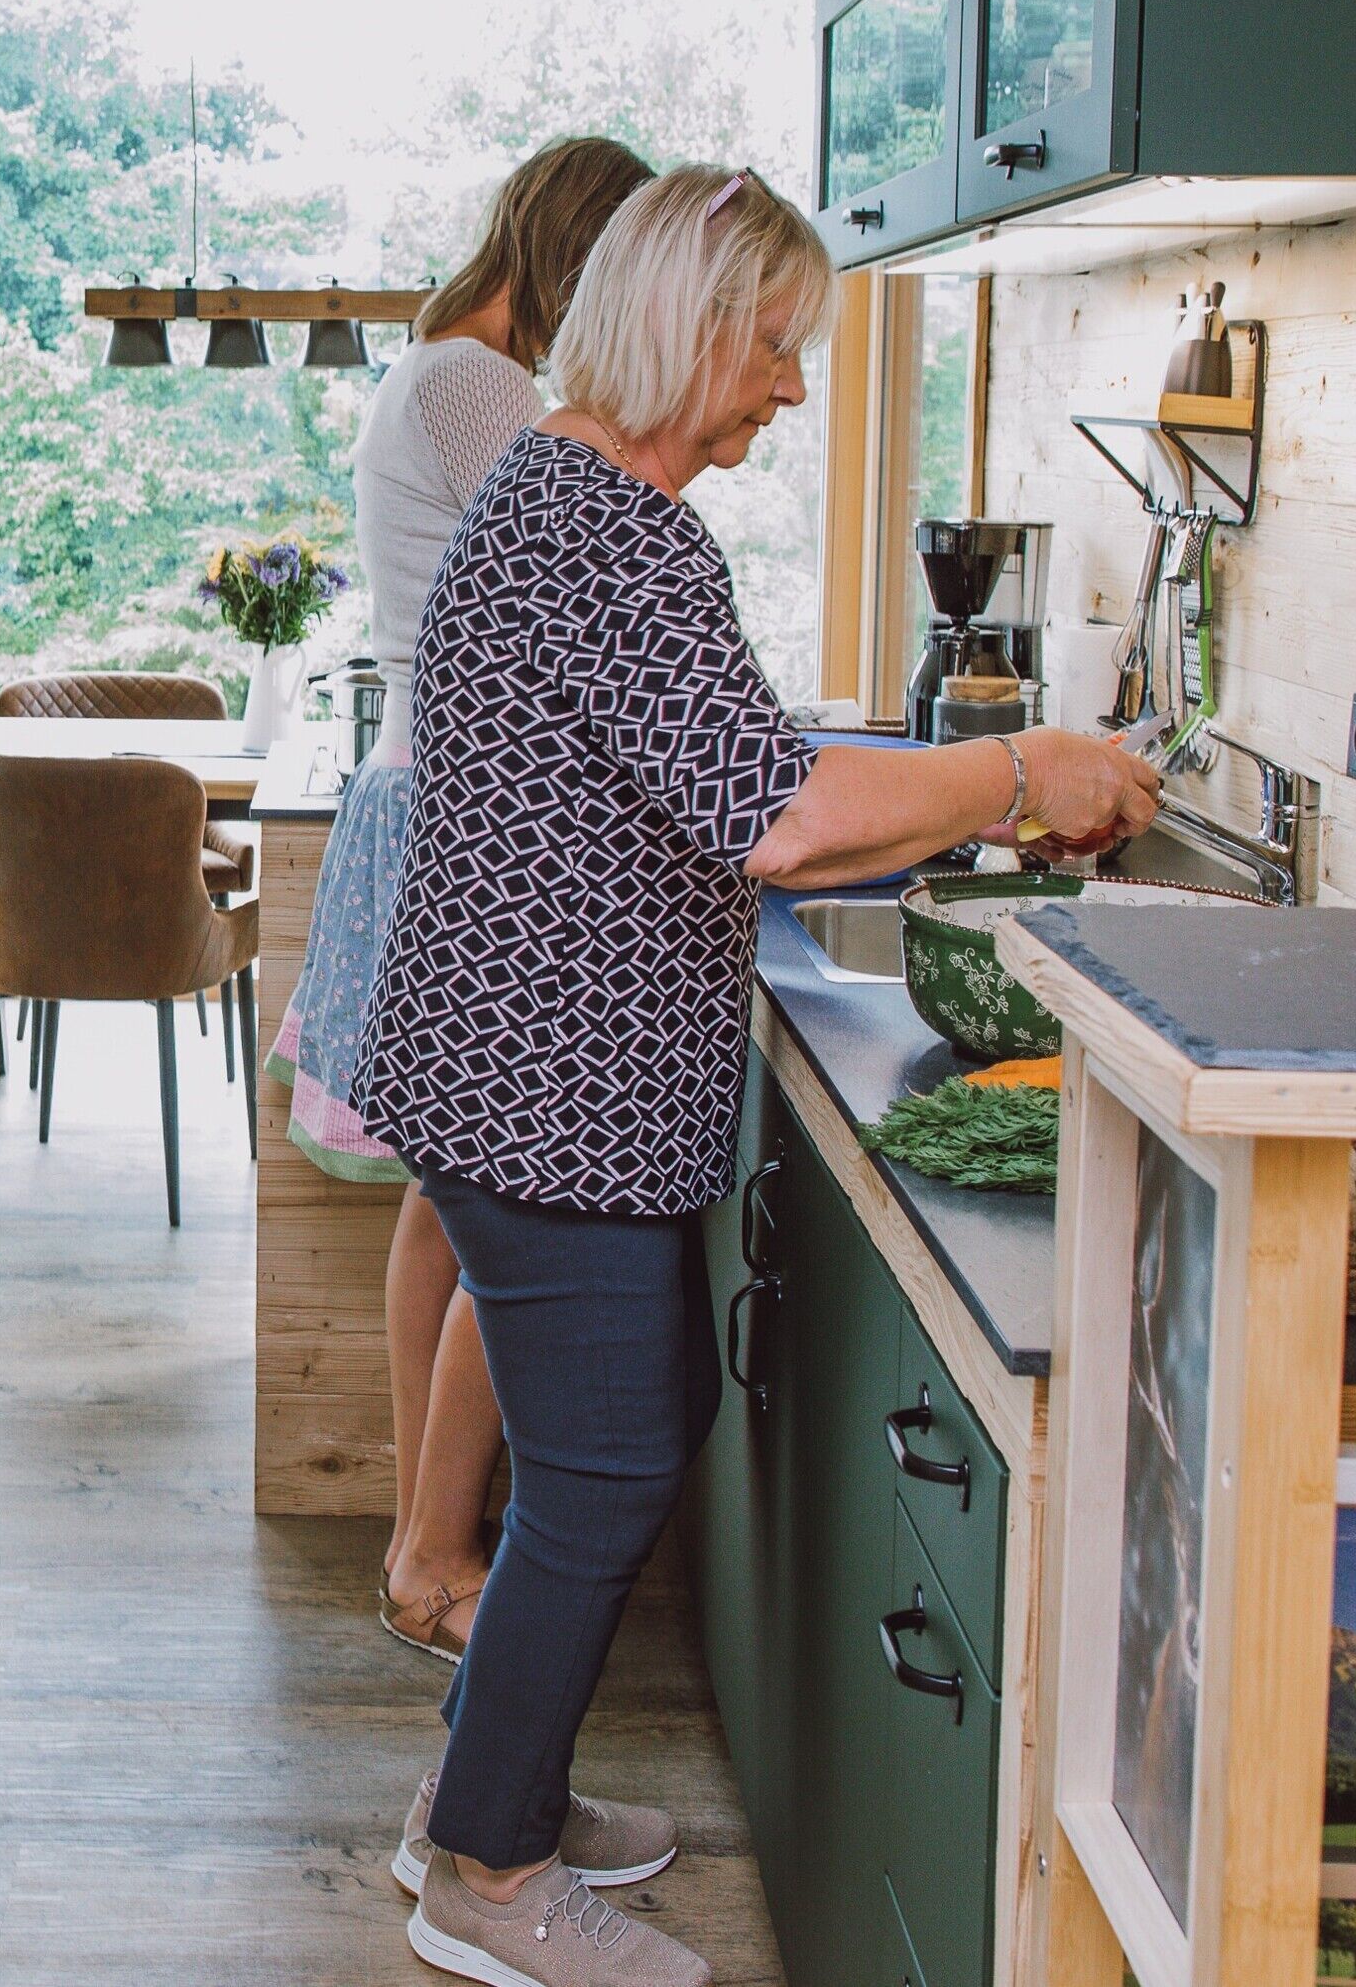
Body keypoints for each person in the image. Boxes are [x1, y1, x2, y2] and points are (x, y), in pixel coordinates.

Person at [367, 168, 1160, 1987]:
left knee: (610, 1441)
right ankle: (487, 1873)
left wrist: (964, 778)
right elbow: (786, 817)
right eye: (778, 345)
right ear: (688, 323)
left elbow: (730, 764)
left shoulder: (573, 498)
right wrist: (1023, 768)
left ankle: (487, 1797)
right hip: (546, 1084)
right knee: (611, 1454)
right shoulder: (605, 527)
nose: (793, 389)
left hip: (522, 1072)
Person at [268, 133, 654, 1665]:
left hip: (433, 793)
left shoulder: (434, 367)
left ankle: (428, 1545)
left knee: (452, 1196)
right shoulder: (476, 382)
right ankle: (435, 1551)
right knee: (507, 1199)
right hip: (474, 815)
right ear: (572, 249)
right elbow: (596, 563)